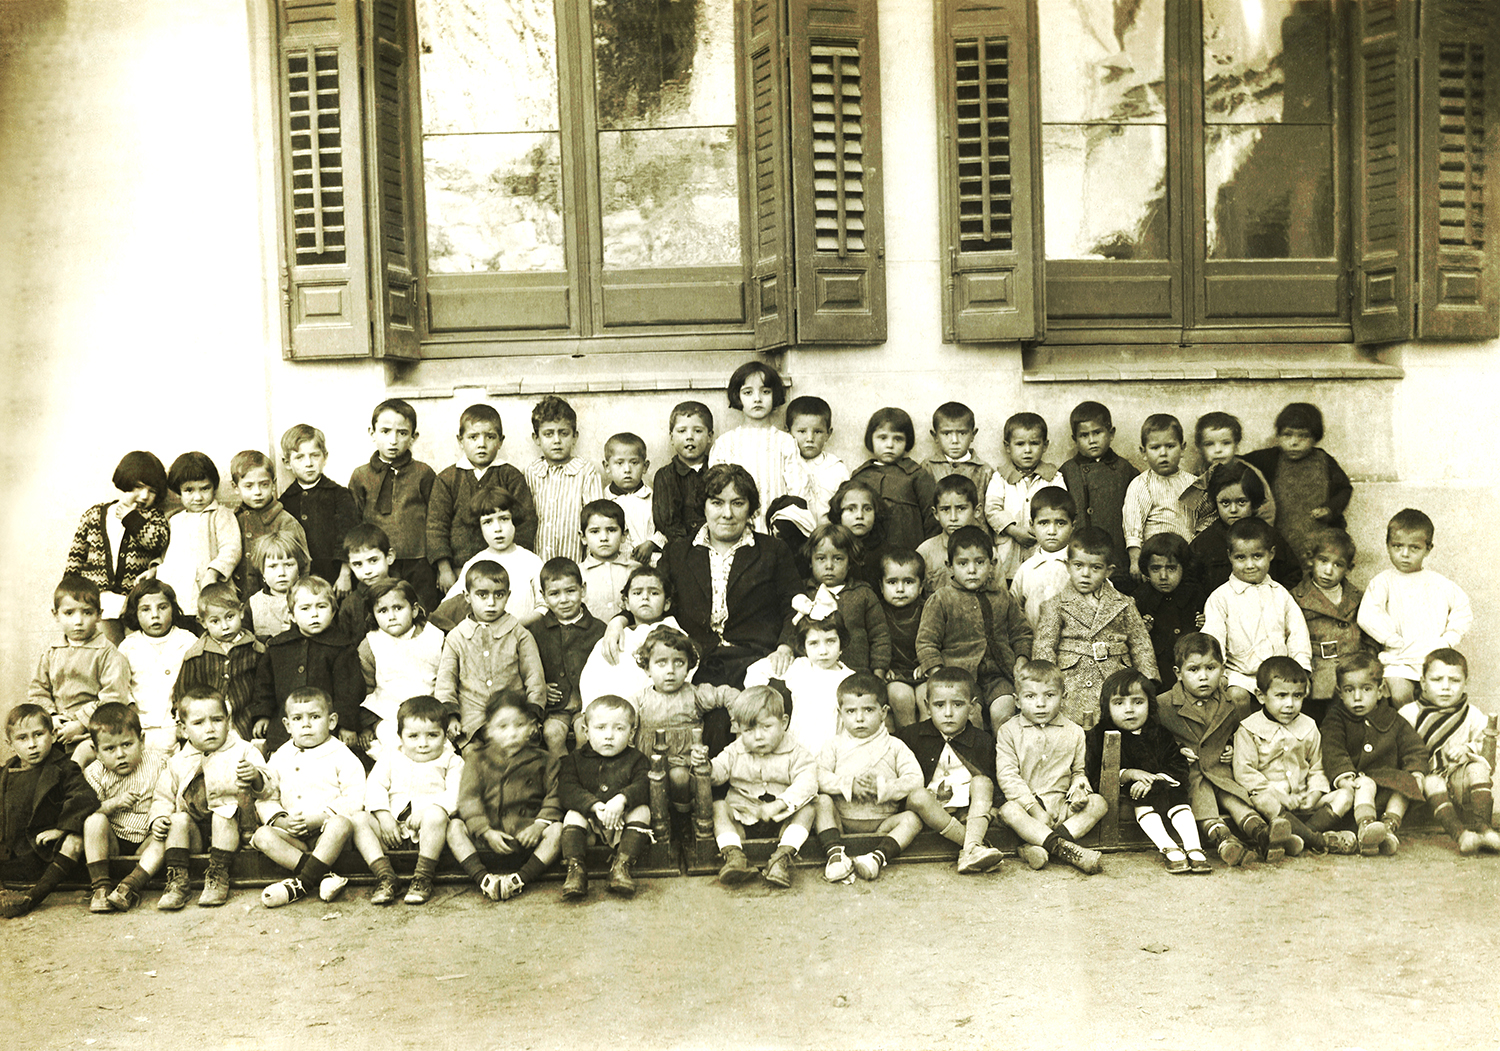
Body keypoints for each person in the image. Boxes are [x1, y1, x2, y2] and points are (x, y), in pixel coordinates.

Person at [649, 463, 801, 689]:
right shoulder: (678, 551)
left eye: (738, 503)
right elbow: (652, 596)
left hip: (756, 660)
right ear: (704, 506)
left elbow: (795, 605)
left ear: (750, 508)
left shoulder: (773, 550)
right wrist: (619, 621)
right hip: (693, 664)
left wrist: (785, 647)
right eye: (717, 503)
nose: (727, 514)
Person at [150, 687, 275, 910]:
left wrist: (256, 776)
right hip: (196, 835)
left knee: (223, 813)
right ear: (184, 729)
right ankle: (178, 879)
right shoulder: (178, 761)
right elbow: (162, 797)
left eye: (217, 720)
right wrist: (158, 818)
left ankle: (218, 874)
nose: (210, 729)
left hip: (234, 830)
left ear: (229, 721)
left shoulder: (244, 751)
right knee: (177, 820)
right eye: (199, 723)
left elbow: (270, 789)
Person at [252, 687, 371, 908]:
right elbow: (267, 795)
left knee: (341, 824)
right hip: (293, 835)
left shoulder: (342, 754)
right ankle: (322, 874)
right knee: (262, 836)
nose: (306, 725)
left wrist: (319, 818)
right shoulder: (281, 756)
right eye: (297, 719)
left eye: (315, 717)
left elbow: (355, 797)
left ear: (332, 721)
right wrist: (282, 821)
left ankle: (302, 883)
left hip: (326, 836)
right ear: (287, 725)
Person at [1085, 671, 1212, 874]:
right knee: (1142, 799)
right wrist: (1128, 774)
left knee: (1177, 796)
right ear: (1107, 707)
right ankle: (1168, 847)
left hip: (1162, 787)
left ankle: (1193, 847)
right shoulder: (1100, 735)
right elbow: (1092, 774)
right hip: (1125, 795)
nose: (1129, 710)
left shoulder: (1158, 732)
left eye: (1137, 702)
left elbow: (1177, 764)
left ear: (1150, 704)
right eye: (1119, 703)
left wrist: (1157, 778)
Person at [1032, 526, 1155, 730]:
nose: (1086, 574)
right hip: (1071, 684)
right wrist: (1046, 688)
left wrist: (1148, 681)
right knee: (1075, 733)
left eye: (1096, 568)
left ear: (1109, 570)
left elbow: (1141, 644)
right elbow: (1044, 647)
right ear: (1067, 565)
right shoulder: (1055, 605)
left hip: (1116, 681)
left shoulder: (1124, 603)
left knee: (1115, 732)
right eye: (1078, 566)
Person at [695, 686, 817, 888]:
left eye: (766, 727)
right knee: (718, 807)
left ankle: (782, 858)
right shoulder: (735, 750)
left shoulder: (796, 752)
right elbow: (717, 773)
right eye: (749, 730)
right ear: (738, 728)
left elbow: (808, 782)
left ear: (784, 723)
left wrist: (780, 804)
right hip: (744, 818)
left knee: (809, 808)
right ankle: (734, 855)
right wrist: (704, 765)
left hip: (781, 821)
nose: (758, 736)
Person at [355, 696, 472, 906]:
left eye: (433, 735)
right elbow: (375, 785)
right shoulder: (391, 756)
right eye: (413, 736)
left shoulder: (452, 761)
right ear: (400, 737)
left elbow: (455, 794)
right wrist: (383, 816)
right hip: (393, 831)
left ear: (446, 737)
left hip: (430, 836)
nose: (423, 744)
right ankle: (385, 877)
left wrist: (428, 811)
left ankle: (422, 878)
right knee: (358, 820)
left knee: (437, 815)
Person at [1154, 633, 1259, 867]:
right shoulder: (1163, 704)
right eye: (1193, 670)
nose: (1203, 676)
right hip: (1189, 773)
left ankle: (1259, 831)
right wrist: (1177, 751)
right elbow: (1157, 742)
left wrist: (1233, 749)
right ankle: (1222, 838)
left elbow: (1239, 733)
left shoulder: (1231, 702)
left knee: (1233, 796)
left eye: (1211, 667)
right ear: (1178, 673)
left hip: (1221, 769)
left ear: (1222, 669)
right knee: (1201, 798)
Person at [1232, 657, 1352, 859]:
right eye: (1281, 695)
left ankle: (1299, 835)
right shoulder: (1248, 729)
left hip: (1304, 799)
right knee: (1261, 800)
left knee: (1346, 795)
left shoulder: (1309, 726)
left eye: (1297, 696)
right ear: (1261, 696)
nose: (1290, 704)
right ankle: (1318, 841)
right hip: (1274, 804)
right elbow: (1245, 773)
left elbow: (1317, 767)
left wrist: (1314, 793)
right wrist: (1280, 795)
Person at [916, 525, 1033, 731]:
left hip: (999, 675)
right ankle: (978, 761)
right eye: (963, 563)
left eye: (979, 562)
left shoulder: (1003, 598)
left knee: (1003, 713)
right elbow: (926, 643)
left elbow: (1021, 633)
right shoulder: (942, 599)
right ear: (950, 567)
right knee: (971, 718)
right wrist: (940, 677)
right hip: (960, 678)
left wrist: (1021, 660)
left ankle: (1004, 761)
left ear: (992, 564)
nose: (972, 570)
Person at [994, 659, 1106, 874]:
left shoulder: (1074, 731)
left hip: (1064, 806)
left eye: (1049, 695)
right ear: (1017, 701)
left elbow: (1078, 772)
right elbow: (1008, 776)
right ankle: (1065, 848)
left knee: (1099, 803)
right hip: (1028, 808)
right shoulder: (1009, 731)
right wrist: (1035, 810)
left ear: (1063, 697)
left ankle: (1039, 845)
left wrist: (1079, 794)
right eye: (1030, 696)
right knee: (1008, 811)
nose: (1040, 704)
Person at [815, 673, 924, 882]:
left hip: (883, 824)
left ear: (883, 713)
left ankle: (876, 857)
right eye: (851, 711)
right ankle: (836, 855)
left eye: (868, 710)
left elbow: (915, 779)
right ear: (840, 714)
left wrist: (883, 788)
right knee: (821, 802)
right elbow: (818, 777)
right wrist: (849, 785)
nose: (859, 718)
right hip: (842, 822)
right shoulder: (834, 746)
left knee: (913, 819)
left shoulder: (895, 746)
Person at [896, 667, 1006, 874]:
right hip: (926, 809)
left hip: (965, 809)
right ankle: (974, 846)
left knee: (983, 782)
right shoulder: (911, 736)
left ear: (972, 707)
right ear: (927, 707)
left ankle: (970, 850)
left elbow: (993, 778)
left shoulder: (982, 740)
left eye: (957, 704)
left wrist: (993, 807)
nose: (948, 713)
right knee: (919, 796)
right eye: (939, 705)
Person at [457, 690, 564, 902]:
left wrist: (538, 826)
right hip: (491, 835)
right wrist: (485, 831)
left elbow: (555, 795)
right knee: (454, 829)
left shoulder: (545, 759)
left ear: (532, 727)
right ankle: (483, 879)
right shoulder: (477, 759)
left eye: (520, 725)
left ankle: (521, 878)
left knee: (557, 831)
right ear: (489, 730)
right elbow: (469, 799)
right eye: (502, 727)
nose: (512, 733)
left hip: (527, 834)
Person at [1357, 508, 1472, 706]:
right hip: (1399, 659)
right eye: (1397, 546)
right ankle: (1410, 734)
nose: (1404, 554)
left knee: (1438, 698)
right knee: (1401, 695)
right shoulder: (1383, 581)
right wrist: (1390, 639)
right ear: (1387, 545)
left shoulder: (1440, 583)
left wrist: (1448, 640)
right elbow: (1368, 614)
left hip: (1433, 658)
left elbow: (1462, 610)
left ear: (1428, 549)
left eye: (1414, 548)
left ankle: (1432, 731)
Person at [1320, 653, 1426, 856]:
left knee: (1406, 784)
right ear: (1339, 693)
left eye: (1366, 689)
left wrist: (1416, 772)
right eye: (1349, 690)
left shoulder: (1393, 719)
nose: (1357, 697)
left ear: (1380, 691)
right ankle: (1366, 827)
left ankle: (1387, 829)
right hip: (1358, 791)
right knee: (1365, 784)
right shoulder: (1336, 718)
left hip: (1386, 789)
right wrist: (1344, 776)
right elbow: (1333, 749)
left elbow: (1414, 749)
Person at [0, 705, 98, 919]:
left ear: (53, 735)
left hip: (46, 852)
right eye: (22, 738)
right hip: (12, 852)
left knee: (75, 840)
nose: (32, 745)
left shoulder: (64, 767)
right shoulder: (5, 773)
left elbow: (84, 798)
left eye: (38, 735)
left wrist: (61, 829)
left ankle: (33, 897)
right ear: (10, 743)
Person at [1398, 648, 1499, 855]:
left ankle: (1484, 828)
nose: (1446, 687)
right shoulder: (1409, 713)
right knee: (1432, 781)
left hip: (1459, 781)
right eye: (1437, 680)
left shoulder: (1471, 713)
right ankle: (1461, 834)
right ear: (1423, 683)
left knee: (1479, 768)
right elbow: (1398, 749)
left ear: (1465, 683)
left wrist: (1468, 750)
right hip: (1427, 783)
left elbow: (1492, 750)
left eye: (1454, 680)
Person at [428, 403, 537, 594]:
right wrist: (444, 569)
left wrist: (514, 563)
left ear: (501, 441)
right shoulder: (447, 479)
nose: (481, 444)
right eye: (473, 437)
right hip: (460, 570)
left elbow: (525, 521)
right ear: (460, 441)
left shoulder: (510, 476)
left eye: (490, 437)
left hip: (504, 571)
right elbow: (436, 525)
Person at [1201, 518, 1311, 706]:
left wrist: (1301, 669)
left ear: (1271, 554)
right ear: (1230, 556)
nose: (1250, 565)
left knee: (1291, 695)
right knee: (1237, 697)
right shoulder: (1220, 598)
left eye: (1257, 556)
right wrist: (1217, 673)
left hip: (1279, 674)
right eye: (1241, 558)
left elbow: (1297, 633)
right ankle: (1241, 735)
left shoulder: (1280, 593)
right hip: (1240, 676)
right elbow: (1213, 639)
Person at [434, 561, 545, 747]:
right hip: (472, 720)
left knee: (518, 758)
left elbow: (534, 678)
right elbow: (446, 682)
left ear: (508, 596)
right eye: (482, 595)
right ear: (467, 596)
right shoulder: (456, 637)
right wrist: (451, 717)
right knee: (472, 757)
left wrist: (533, 715)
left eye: (499, 595)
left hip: (513, 718)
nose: (491, 603)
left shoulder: (519, 634)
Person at [251, 575, 365, 755]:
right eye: (305, 608)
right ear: (292, 616)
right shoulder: (278, 647)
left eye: (322, 606)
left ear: (333, 612)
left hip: (327, 727)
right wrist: (262, 714)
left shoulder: (342, 647)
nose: (314, 614)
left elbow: (349, 690)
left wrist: (347, 725)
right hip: (285, 726)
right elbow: (264, 685)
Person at [65, 450, 171, 640]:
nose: (145, 495)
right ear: (125, 482)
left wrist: (131, 518)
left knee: (136, 649)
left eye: (152, 490)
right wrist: (69, 592)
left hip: (136, 600)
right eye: (138, 487)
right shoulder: (95, 515)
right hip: (100, 598)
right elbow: (76, 556)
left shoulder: (154, 517)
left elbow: (157, 543)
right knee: (108, 647)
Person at [630, 626, 739, 810]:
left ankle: (682, 815)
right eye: (661, 663)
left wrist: (738, 719)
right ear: (647, 668)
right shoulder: (640, 700)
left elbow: (726, 694)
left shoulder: (694, 694)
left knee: (679, 777)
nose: (671, 670)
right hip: (649, 765)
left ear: (689, 666)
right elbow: (624, 719)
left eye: (679, 662)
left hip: (685, 766)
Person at [558, 694, 654, 899]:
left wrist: (621, 799)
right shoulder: (574, 760)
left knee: (643, 811)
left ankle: (621, 865)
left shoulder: (637, 759)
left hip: (622, 826)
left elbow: (644, 785)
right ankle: (576, 869)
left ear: (631, 733)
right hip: (590, 827)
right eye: (600, 728)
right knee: (572, 815)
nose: (609, 735)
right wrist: (593, 806)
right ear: (586, 732)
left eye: (619, 728)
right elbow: (567, 789)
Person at [348, 398, 439, 610]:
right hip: (376, 563)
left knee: (421, 609)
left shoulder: (423, 473)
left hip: (417, 561)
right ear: (372, 433)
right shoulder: (361, 475)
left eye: (402, 433)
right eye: (385, 431)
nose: (393, 440)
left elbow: (435, 518)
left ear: (413, 437)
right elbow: (354, 522)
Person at [28, 575, 130, 759]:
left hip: (94, 729)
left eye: (87, 612)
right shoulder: (52, 653)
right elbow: (38, 691)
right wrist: (51, 717)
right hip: (56, 729)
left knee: (79, 765)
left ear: (99, 615)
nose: (78, 621)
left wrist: (80, 723)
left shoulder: (108, 654)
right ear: (56, 614)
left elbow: (114, 698)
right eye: (69, 613)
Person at [81, 703, 168, 912]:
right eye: (109, 749)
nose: (120, 754)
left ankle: (130, 885)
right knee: (93, 821)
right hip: (114, 841)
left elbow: (169, 796)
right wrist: (114, 803)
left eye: (127, 745)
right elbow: (88, 812)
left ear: (142, 741)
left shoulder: (158, 762)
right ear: (96, 751)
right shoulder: (95, 772)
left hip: (148, 838)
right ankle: (101, 887)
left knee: (168, 829)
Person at [1243, 402, 1351, 565]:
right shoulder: (1268, 459)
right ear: (1278, 436)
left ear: (1315, 437)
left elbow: (1344, 489)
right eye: (1287, 435)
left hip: (1317, 536)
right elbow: (1240, 465)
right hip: (1280, 535)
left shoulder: (1323, 460)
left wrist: (1329, 509)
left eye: (1303, 436)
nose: (1294, 442)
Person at [780, 523, 890, 675]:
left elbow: (880, 636)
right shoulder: (803, 594)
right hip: (813, 676)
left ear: (849, 562)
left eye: (838, 559)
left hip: (856, 676)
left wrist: (878, 671)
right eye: (821, 558)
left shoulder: (863, 593)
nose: (829, 566)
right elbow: (790, 631)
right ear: (810, 562)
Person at [708, 361, 804, 534]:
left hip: (776, 528)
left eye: (765, 392)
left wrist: (786, 524)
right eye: (748, 392)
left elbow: (797, 488)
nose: (757, 399)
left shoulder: (785, 441)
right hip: (736, 526)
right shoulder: (725, 442)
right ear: (738, 397)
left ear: (775, 396)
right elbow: (715, 489)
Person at [747, 602, 852, 755]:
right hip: (794, 751)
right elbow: (756, 670)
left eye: (830, 641)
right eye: (814, 643)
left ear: (841, 643)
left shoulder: (849, 679)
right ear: (804, 647)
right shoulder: (800, 668)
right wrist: (763, 705)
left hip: (830, 754)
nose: (823, 651)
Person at [357, 579, 445, 758]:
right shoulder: (371, 645)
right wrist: (368, 724)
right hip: (390, 716)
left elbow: (447, 680)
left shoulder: (435, 638)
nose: (391, 616)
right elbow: (364, 689)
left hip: (430, 712)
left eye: (398, 608)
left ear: (413, 610)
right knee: (393, 749)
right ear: (374, 615)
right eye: (383, 611)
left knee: (440, 749)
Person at [1057, 402, 1138, 594]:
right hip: (1082, 559)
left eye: (1097, 433)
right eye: (1084, 435)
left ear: (1111, 433)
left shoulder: (1125, 470)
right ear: (1074, 439)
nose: (1092, 440)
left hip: (1116, 555)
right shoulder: (1067, 471)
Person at [530, 557, 606, 757]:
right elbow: (528, 667)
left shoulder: (598, 629)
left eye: (570, 591)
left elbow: (607, 670)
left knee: (584, 734)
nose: (564, 600)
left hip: (588, 703)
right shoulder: (537, 631)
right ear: (544, 597)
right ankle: (562, 780)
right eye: (554, 594)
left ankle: (580, 774)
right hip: (555, 707)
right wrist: (541, 687)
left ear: (583, 590)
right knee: (552, 733)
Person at [1186, 462, 1300, 595]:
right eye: (1225, 503)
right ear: (1215, 503)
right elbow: (1190, 582)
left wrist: (1275, 601)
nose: (1233, 510)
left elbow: (1293, 575)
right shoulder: (1204, 543)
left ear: (1254, 501)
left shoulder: (1270, 536)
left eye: (1241, 502)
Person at [1291, 528, 1368, 723]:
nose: (1328, 570)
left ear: (1348, 568)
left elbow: (1370, 634)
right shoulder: (1296, 598)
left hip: (1353, 668)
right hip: (1318, 672)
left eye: (1338, 565)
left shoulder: (1358, 597)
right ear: (1311, 560)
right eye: (1323, 561)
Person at [155, 450, 240, 626]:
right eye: (189, 490)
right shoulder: (175, 519)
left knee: (211, 628)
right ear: (179, 491)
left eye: (205, 488)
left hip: (209, 589)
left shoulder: (221, 515)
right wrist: (155, 569)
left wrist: (213, 572)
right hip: (180, 592)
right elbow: (167, 554)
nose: (198, 497)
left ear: (214, 487)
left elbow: (231, 548)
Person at [577, 565, 681, 706]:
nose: (645, 597)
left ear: (667, 603)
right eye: (637, 593)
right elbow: (592, 678)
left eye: (654, 593)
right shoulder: (615, 637)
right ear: (626, 603)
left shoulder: (677, 636)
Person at [174, 582, 265, 742]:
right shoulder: (196, 656)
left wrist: (262, 715)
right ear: (203, 623)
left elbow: (264, 689)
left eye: (230, 617)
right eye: (215, 621)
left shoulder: (255, 651)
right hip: (208, 728)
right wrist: (181, 720)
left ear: (241, 612)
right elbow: (183, 692)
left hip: (244, 725)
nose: (225, 626)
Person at [985, 411, 1066, 582]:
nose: (1027, 450)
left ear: (1045, 446)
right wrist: (1013, 530)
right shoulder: (1000, 477)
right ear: (1008, 447)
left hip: (1043, 555)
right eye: (1020, 444)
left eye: (1034, 443)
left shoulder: (1054, 478)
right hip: (1008, 559)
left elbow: (1061, 509)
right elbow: (992, 509)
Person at [278, 423, 361, 591]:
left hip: (336, 579)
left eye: (315, 455)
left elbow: (350, 536)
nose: (308, 463)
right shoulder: (285, 501)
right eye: (299, 457)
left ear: (325, 457)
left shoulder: (339, 495)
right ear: (287, 463)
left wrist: (345, 574)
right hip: (299, 583)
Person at [116, 578, 195, 753]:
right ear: (135, 613)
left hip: (178, 727)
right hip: (143, 727)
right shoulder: (128, 646)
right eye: (145, 609)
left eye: (162, 607)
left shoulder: (188, 641)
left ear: (173, 609)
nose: (155, 615)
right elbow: (121, 686)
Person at [440, 491, 544, 622]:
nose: (497, 528)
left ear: (514, 521)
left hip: (523, 635)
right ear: (479, 527)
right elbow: (449, 606)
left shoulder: (531, 561)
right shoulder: (474, 563)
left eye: (504, 519)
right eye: (488, 522)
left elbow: (544, 606)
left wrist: (517, 627)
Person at [524, 395, 604, 563]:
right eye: (548, 434)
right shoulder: (530, 473)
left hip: (575, 562)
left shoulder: (586, 472)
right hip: (538, 563)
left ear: (575, 436)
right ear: (536, 438)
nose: (557, 440)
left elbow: (596, 519)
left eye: (564, 433)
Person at [850, 407, 937, 552]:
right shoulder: (860, 476)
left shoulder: (917, 474)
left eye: (898, 439)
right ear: (871, 439)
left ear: (907, 442)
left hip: (907, 555)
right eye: (882, 438)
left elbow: (932, 519)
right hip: (867, 556)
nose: (890, 445)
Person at [1123, 413, 1197, 580]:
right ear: (1143, 451)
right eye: (1155, 448)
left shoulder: (1193, 484)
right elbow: (1133, 529)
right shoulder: (1141, 485)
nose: (1163, 453)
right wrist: (1135, 562)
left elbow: (1202, 524)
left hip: (1187, 561)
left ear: (1183, 448)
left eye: (1170, 446)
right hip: (1155, 564)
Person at [230, 448, 309, 603]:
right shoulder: (233, 520)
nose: (257, 492)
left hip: (279, 601)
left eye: (264, 484)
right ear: (235, 487)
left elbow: (303, 565)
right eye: (249, 486)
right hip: (240, 602)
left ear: (273, 484)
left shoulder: (286, 522)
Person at [1179, 411, 1276, 536]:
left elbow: (1266, 510)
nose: (1218, 450)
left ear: (1236, 444)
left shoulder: (1248, 473)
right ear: (1199, 447)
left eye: (1226, 443)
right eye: (1209, 444)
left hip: (1246, 536)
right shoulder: (1197, 476)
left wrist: (1259, 536)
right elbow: (1188, 512)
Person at [1132, 532, 1206, 693]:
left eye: (1171, 568)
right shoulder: (1140, 597)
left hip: (1192, 671)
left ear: (1183, 567)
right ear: (1146, 570)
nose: (1163, 576)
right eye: (1155, 569)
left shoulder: (1195, 594)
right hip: (1159, 674)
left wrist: (1203, 625)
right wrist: (1142, 630)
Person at [919, 475, 997, 596]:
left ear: (977, 511)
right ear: (935, 513)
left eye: (961, 509)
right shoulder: (925, 552)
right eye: (945, 509)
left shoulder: (988, 552)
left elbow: (999, 596)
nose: (953, 518)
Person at [1009, 486, 1075, 627]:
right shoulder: (1026, 570)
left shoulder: (1081, 566)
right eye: (1044, 523)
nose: (1052, 531)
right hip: (1035, 643)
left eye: (1060, 523)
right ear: (1032, 525)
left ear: (1072, 526)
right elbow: (1013, 614)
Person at [652, 400, 714, 549]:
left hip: (713, 545)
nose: (689, 437)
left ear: (710, 436)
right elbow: (668, 522)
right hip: (680, 549)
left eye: (698, 431)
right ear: (672, 438)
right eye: (682, 431)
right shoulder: (665, 476)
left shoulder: (715, 471)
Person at [877, 549, 926, 727]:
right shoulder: (878, 611)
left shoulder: (928, 609)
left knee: (927, 696)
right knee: (900, 696)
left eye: (908, 582)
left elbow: (938, 640)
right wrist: (884, 667)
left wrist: (928, 663)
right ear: (881, 587)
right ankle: (910, 741)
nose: (900, 589)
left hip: (923, 671)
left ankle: (929, 748)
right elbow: (876, 644)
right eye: (892, 582)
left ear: (921, 586)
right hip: (895, 673)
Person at [786, 394, 850, 527]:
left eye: (818, 432)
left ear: (828, 434)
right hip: (794, 535)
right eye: (802, 431)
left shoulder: (836, 468)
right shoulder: (786, 465)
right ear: (788, 433)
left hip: (828, 535)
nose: (810, 438)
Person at [600, 432, 664, 565]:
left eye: (634, 463)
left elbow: (666, 528)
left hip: (650, 564)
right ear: (607, 467)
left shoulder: (654, 497)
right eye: (619, 463)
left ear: (645, 466)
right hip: (615, 565)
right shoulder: (602, 499)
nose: (627, 470)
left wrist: (651, 544)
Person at [335, 523, 400, 639]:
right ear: (350, 565)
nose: (367, 571)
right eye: (357, 564)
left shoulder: (405, 593)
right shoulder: (350, 605)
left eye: (373, 560)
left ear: (389, 557)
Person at [577, 499, 638, 622]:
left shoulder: (636, 570)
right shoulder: (577, 574)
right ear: (583, 537)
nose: (604, 538)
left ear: (624, 535)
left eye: (611, 530)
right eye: (595, 531)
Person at [925, 400, 994, 505]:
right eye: (946, 433)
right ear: (935, 436)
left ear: (973, 435)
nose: (955, 440)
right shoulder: (927, 468)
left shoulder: (985, 471)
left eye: (962, 433)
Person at [829, 478, 890, 590]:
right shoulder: (831, 547)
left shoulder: (886, 552)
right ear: (839, 514)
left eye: (867, 509)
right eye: (851, 509)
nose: (860, 516)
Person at [246, 532, 307, 641]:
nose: (281, 572)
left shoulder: (310, 598)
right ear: (262, 571)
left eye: (288, 565)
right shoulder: (254, 604)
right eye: (273, 566)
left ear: (298, 568)